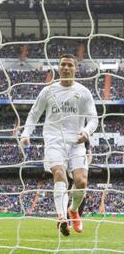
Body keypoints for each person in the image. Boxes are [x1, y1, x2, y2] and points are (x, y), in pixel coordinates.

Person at [20, 54, 98, 236]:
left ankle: (73, 211)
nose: (66, 68)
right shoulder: (48, 91)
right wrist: (26, 134)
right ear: (58, 67)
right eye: (63, 64)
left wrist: (86, 132)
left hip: (76, 141)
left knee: (81, 181)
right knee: (59, 173)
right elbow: (34, 113)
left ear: (75, 68)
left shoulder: (84, 92)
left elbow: (93, 119)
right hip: (54, 140)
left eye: (69, 65)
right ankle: (62, 217)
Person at [67, 139, 93, 219]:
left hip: (79, 166)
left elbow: (89, 154)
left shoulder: (84, 137)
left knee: (82, 191)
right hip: (67, 166)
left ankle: (77, 217)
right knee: (65, 193)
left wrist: (85, 165)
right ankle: (66, 219)